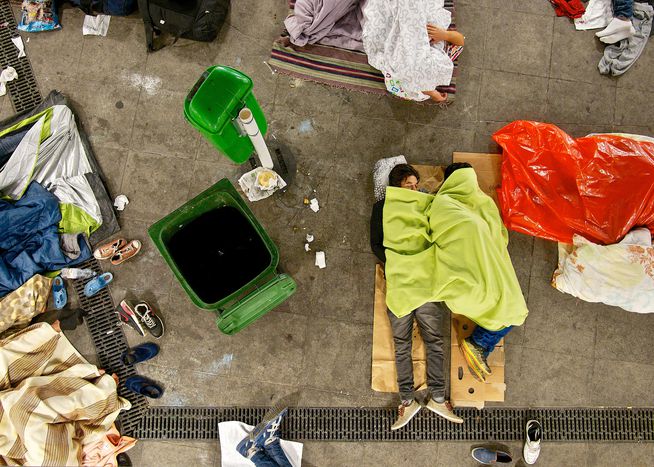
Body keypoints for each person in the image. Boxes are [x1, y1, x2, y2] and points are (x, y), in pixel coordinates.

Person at [370, 163, 463, 430]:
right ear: (396, 188)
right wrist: (401, 262)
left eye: (415, 184)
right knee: (402, 343)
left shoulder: (424, 202)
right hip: (401, 281)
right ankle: (407, 400)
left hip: (422, 282)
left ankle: (437, 396)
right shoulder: (383, 208)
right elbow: (376, 242)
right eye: (407, 185)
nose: (413, 189)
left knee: (434, 339)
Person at [362, 0, 465, 103]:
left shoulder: (395, 66)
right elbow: (461, 41)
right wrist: (444, 35)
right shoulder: (440, 61)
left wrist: (432, 93)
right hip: (424, 16)